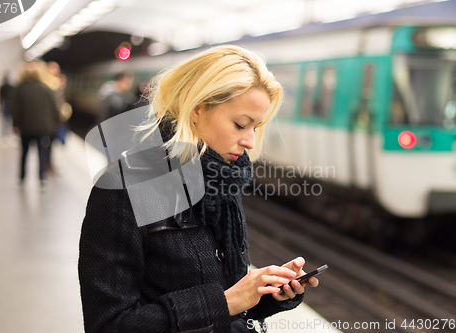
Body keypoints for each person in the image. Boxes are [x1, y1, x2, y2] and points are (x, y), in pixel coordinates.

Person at [78, 45, 319, 333]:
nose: (250, 142)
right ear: (197, 109)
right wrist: (227, 302)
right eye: (240, 124)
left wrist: (264, 292)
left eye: (255, 127)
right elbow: (110, 325)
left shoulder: (221, 183)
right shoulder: (128, 188)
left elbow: (225, 301)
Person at [11, 62, 60, 188]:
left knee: (24, 153)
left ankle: (21, 178)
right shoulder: (46, 88)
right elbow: (54, 108)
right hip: (43, 128)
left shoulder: (20, 89)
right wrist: (55, 122)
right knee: (42, 153)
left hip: (25, 128)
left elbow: (15, 109)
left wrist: (16, 125)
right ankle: (42, 178)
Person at [0, 74, 14, 143]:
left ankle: (5, 135)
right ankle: (8, 135)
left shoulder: (2, 87)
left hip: (6, 103)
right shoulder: (11, 87)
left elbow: (0, 97)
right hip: (9, 103)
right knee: (8, 120)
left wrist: (0, 105)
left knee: (5, 120)